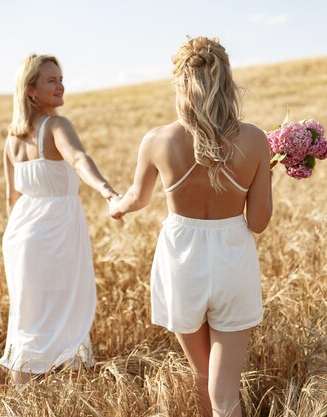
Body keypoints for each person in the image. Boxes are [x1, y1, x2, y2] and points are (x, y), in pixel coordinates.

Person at [110, 37, 273, 417]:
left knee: (202, 376)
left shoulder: (157, 140)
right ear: (227, 82)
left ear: (180, 84)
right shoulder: (254, 140)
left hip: (181, 263)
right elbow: (259, 223)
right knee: (225, 394)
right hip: (233, 258)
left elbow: (137, 197)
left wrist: (115, 207)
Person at [0, 54, 119, 384]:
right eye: (51, 80)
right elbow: (79, 159)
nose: (60, 85)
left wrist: (19, 244)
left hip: (20, 235)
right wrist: (108, 192)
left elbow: (11, 198)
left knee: (28, 318)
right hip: (56, 233)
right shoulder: (57, 126)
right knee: (68, 309)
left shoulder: (11, 139)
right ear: (31, 90)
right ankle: (73, 393)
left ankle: (20, 401)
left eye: (61, 78)